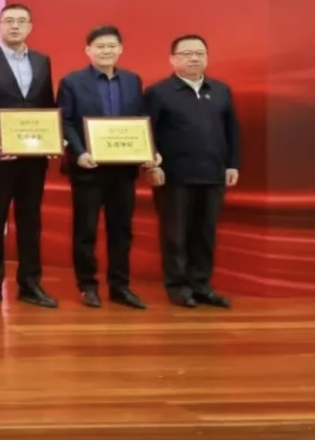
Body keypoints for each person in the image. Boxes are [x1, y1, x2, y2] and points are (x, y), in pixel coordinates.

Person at [0, 4, 59, 308]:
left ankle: (30, 283)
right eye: (9, 21)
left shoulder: (42, 61)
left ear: (30, 26)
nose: (15, 26)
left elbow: (47, 106)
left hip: (34, 157)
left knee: (30, 220)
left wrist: (52, 138)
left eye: (21, 21)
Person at [58, 25, 155, 310]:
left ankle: (120, 286)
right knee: (86, 230)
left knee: (122, 230)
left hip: (123, 169)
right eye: (100, 46)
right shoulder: (72, 81)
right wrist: (79, 153)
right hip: (88, 168)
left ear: (120, 49)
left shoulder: (132, 80)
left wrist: (146, 150)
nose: (106, 51)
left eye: (112, 46)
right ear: (88, 50)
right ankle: (88, 286)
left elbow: (139, 120)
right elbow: (65, 121)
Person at [145, 34, 239, 309]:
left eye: (199, 53)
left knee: (205, 234)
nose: (194, 58)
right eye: (186, 53)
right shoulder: (158, 92)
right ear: (172, 59)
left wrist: (232, 164)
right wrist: (153, 165)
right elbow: (146, 132)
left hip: (213, 174)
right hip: (174, 177)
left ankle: (201, 285)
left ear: (207, 57)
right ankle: (178, 287)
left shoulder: (221, 90)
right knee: (175, 236)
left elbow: (232, 131)